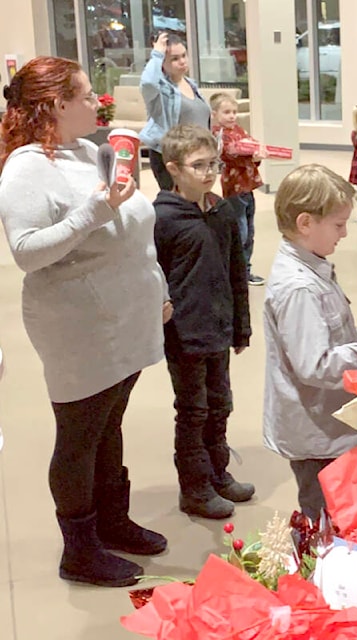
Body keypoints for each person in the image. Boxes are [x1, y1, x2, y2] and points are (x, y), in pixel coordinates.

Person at [0, 57, 169, 587]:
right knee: (79, 435)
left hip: (121, 317)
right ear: (54, 106)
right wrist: (93, 211)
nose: (98, 100)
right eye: (85, 93)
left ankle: (112, 522)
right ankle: (79, 548)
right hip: (79, 326)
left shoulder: (86, 152)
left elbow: (131, 226)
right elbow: (26, 251)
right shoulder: (27, 166)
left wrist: (156, 287)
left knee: (107, 424)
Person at [263, 165, 357, 521]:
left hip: (330, 424)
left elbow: (335, 336)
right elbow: (316, 364)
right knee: (324, 520)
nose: (345, 233)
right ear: (306, 223)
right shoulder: (299, 288)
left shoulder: (314, 267)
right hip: (316, 434)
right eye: (338, 225)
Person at [153, 124, 254, 520]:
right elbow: (152, 274)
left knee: (220, 405)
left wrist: (240, 325)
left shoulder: (224, 211)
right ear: (174, 168)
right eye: (199, 165)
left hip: (218, 328)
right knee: (193, 411)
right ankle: (194, 488)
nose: (209, 172)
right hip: (184, 334)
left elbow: (236, 272)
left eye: (213, 163)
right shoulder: (162, 219)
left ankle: (218, 473)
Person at [140, 32, 210, 191]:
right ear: (162, 63)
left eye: (184, 55)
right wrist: (157, 53)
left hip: (196, 155)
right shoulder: (160, 89)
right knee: (178, 205)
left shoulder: (191, 84)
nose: (182, 61)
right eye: (174, 59)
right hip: (171, 156)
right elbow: (147, 83)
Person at [210, 92, 265, 286]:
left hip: (247, 186)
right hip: (234, 188)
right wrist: (251, 153)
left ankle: (246, 269)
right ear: (215, 113)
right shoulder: (220, 135)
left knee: (249, 230)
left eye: (234, 112)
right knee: (240, 231)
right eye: (226, 112)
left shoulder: (239, 130)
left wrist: (256, 154)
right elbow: (232, 152)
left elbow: (251, 146)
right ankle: (236, 270)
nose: (232, 116)